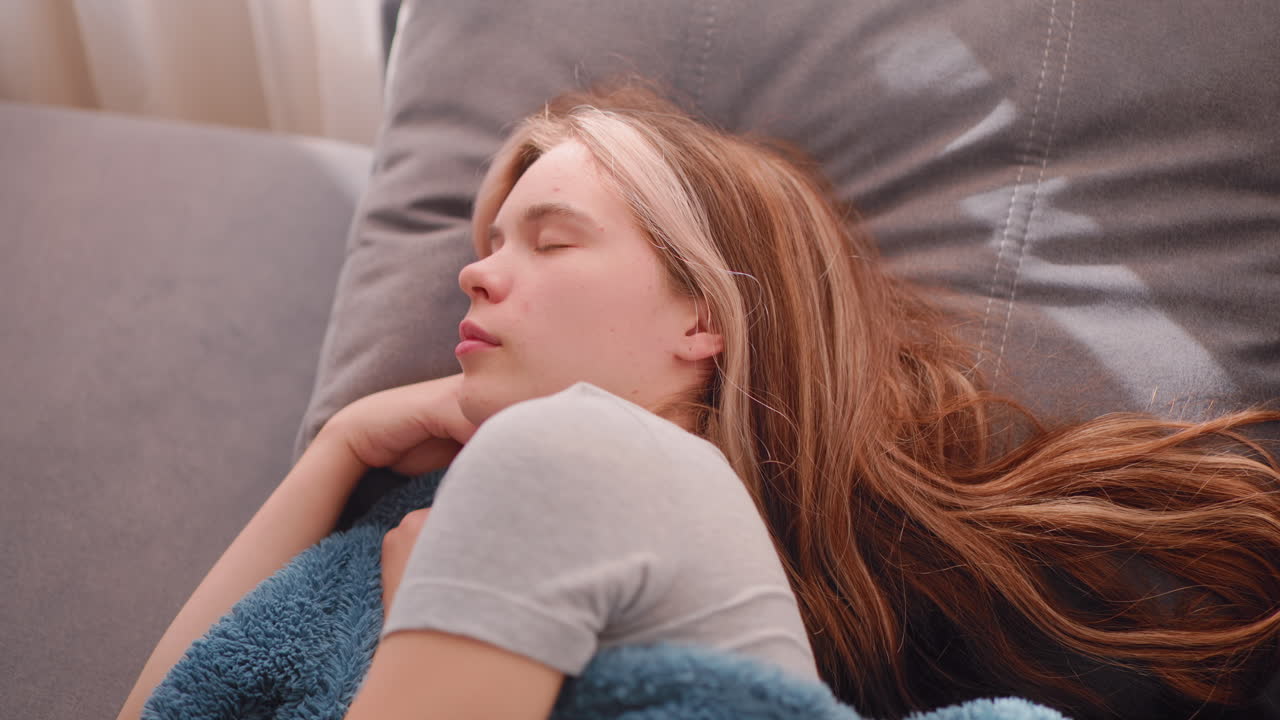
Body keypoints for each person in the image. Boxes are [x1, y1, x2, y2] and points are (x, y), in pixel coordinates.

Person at [117, 84, 1280, 720]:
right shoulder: (411, 518)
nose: (474, 272)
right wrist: (335, 451)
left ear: (703, 320)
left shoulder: (575, 456)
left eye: (551, 237)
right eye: (488, 242)